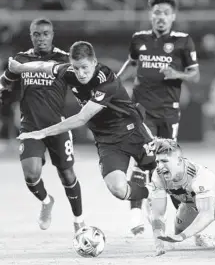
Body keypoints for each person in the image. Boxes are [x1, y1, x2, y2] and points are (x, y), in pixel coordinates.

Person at [8, 41, 157, 206]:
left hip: (133, 131)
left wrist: (42, 132)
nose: (81, 73)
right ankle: (151, 192)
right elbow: (44, 66)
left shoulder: (105, 79)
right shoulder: (68, 71)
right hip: (108, 141)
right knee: (118, 189)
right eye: (76, 68)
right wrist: (20, 68)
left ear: (94, 62)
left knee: (167, 172)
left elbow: (81, 118)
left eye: (85, 67)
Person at [117, 0, 200, 235]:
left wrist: (178, 75)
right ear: (150, 16)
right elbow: (131, 64)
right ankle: (135, 213)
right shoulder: (139, 39)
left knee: (170, 166)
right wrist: (113, 83)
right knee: (144, 155)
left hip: (169, 112)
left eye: (165, 13)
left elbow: (195, 74)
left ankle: (186, 221)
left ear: (173, 16)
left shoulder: (184, 41)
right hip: (141, 109)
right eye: (156, 13)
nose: (160, 17)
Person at [0, 18, 86, 233]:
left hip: (58, 126)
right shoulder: (21, 59)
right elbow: (5, 81)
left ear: (52, 35)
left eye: (45, 34)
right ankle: (47, 201)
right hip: (30, 127)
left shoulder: (64, 59)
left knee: (67, 175)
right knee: (31, 174)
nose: (41, 38)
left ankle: (79, 220)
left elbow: (81, 83)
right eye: (37, 34)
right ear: (31, 36)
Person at [147, 138, 215, 256]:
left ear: (179, 161)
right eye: (158, 161)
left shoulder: (199, 177)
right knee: (179, 229)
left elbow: (207, 214)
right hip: (191, 203)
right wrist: (158, 244)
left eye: (164, 161)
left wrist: (182, 236)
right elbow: (158, 213)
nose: (159, 166)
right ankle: (199, 235)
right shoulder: (158, 176)